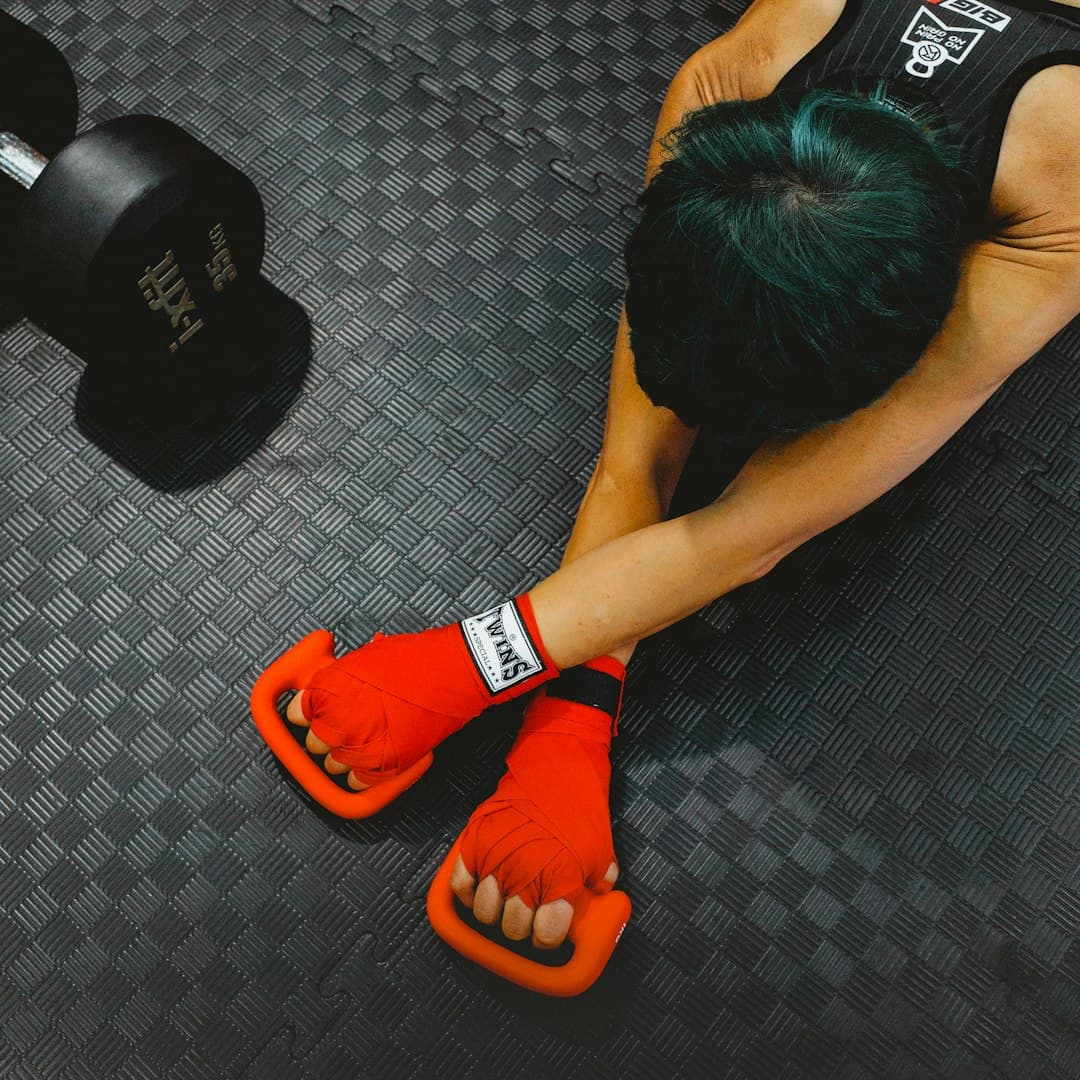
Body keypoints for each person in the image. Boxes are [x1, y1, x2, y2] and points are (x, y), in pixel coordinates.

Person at [284, 0, 1080, 952]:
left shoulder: (1063, 190)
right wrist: (553, 727)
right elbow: (642, 451)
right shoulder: (735, 73)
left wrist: (469, 668)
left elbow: (752, 533)